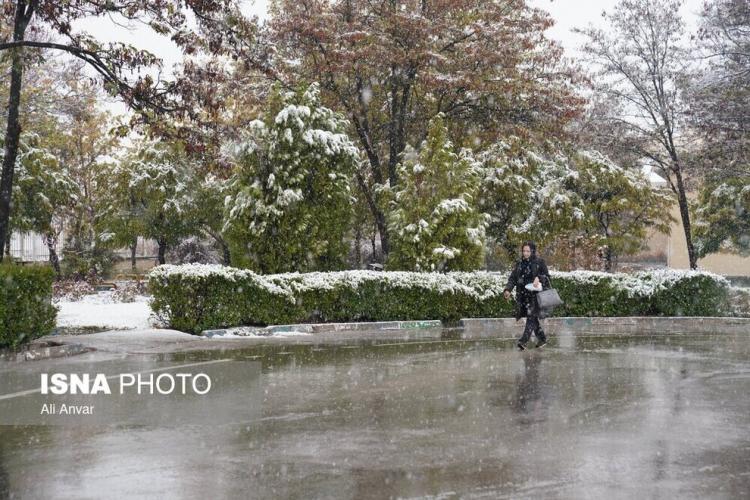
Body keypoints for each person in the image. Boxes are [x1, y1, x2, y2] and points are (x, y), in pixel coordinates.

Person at [502, 241, 552, 350]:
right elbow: (513, 278)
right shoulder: (520, 263)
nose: (525, 253)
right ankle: (542, 338)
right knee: (533, 319)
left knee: (531, 317)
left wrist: (539, 278)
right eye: (524, 251)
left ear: (532, 251)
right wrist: (508, 289)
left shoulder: (539, 262)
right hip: (523, 296)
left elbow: (547, 277)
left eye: (528, 251)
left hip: (536, 296)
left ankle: (523, 341)